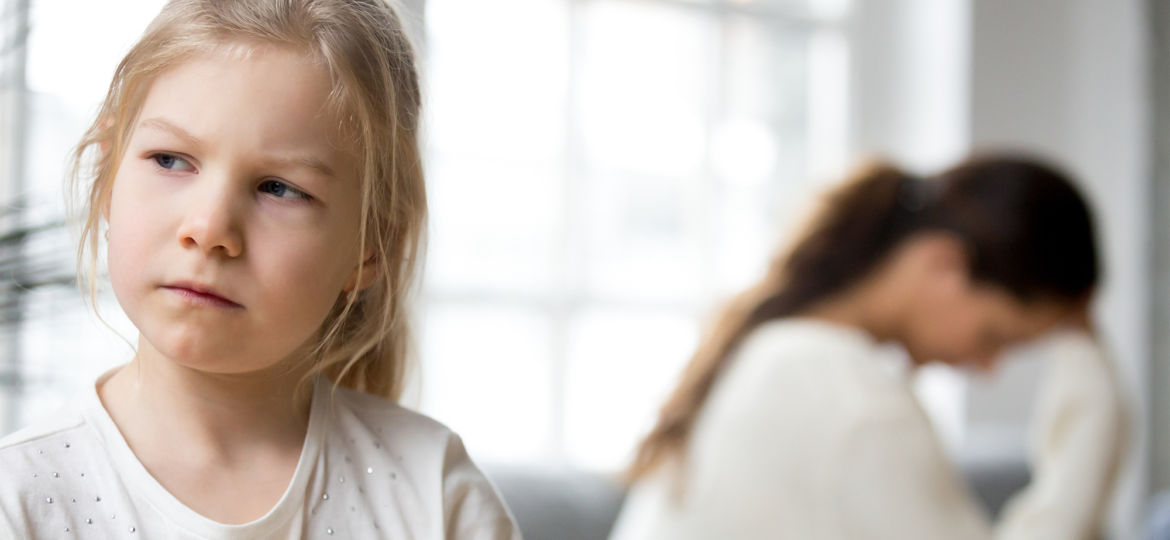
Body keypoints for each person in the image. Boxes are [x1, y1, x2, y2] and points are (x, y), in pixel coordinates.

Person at [0, 1, 519, 538]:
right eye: (171, 159)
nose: (209, 227)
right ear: (106, 177)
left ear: (369, 247)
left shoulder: (433, 493)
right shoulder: (20, 501)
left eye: (280, 188)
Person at [609, 156, 1125, 540]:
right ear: (944, 264)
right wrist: (1095, 408)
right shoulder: (849, 393)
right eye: (994, 336)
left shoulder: (780, 351)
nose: (987, 367)